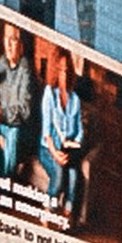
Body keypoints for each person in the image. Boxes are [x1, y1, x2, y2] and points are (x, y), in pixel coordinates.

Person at [0, 21, 36, 177]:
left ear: (22, 45)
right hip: (4, 121)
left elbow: (24, 112)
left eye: (14, 39)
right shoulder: (3, 61)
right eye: (6, 38)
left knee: (14, 132)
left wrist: (1, 114)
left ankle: (6, 179)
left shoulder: (26, 69)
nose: (8, 45)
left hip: (21, 128)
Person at [37, 53, 88, 216]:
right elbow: (46, 132)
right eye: (60, 70)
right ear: (55, 71)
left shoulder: (75, 99)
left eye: (66, 70)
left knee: (74, 177)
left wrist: (75, 144)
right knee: (58, 177)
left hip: (69, 150)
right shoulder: (49, 93)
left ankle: (66, 216)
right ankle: (47, 212)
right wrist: (55, 154)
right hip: (48, 149)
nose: (64, 75)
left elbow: (79, 131)